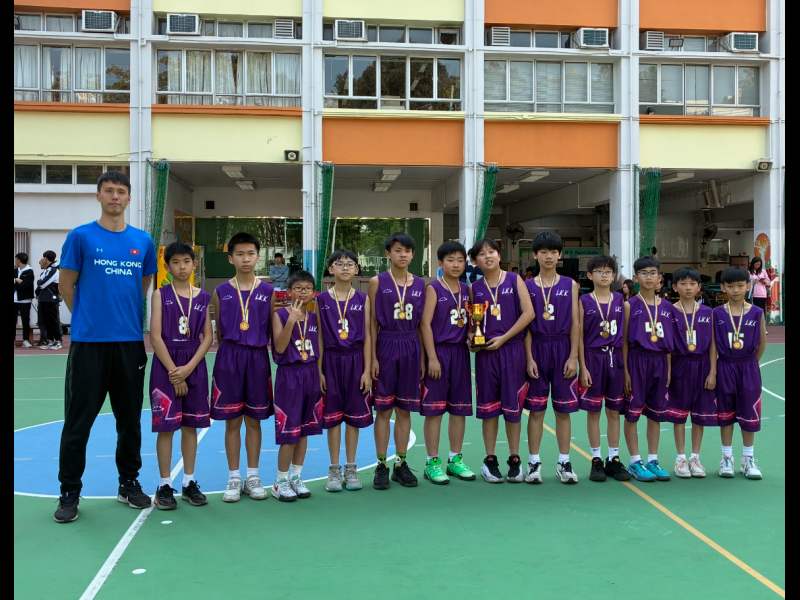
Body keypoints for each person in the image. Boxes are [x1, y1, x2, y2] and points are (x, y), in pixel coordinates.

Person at [54, 171, 158, 523]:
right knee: (78, 422)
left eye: (121, 191)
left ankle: (128, 482)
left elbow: (142, 286)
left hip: (129, 344)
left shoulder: (142, 241)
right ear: (98, 196)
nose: (115, 196)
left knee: (129, 420)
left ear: (129, 198)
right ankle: (69, 491)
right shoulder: (81, 236)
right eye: (109, 191)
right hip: (89, 344)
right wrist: (88, 318)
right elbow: (66, 286)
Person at [149, 242, 213, 509]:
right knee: (166, 427)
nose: (182, 266)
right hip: (166, 364)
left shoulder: (203, 296)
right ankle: (164, 484)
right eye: (175, 262)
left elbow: (208, 337)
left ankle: (188, 482)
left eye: (186, 261)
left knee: (191, 426)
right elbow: (155, 336)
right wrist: (175, 373)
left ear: (194, 264)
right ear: (167, 267)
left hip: (194, 363)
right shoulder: (160, 294)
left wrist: (187, 369)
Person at [211, 232, 274, 503]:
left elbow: (270, 329)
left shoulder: (268, 291)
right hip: (229, 357)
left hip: (257, 357)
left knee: (254, 420)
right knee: (232, 421)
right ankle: (234, 477)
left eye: (250, 254)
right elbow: (220, 334)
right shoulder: (221, 291)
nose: (245, 259)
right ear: (231, 258)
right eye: (240, 254)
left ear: (258, 257)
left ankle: (253, 476)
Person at [469, 238, 534, 483]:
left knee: (513, 409)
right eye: (482, 254)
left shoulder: (515, 280)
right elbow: (473, 324)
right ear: (475, 261)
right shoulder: (474, 288)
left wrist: (504, 338)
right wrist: (471, 339)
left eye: (492, 252)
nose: (488, 256)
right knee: (489, 410)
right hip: (486, 354)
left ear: (499, 255)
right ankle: (490, 460)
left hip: (512, 350)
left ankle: (515, 459)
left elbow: (529, 314)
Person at [369, 232, 426, 489]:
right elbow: (371, 324)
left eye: (408, 250)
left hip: (411, 345)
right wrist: (372, 357)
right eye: (398, 250)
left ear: (413, 254)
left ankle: (401, 464)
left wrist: (422, 358)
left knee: (404, 409)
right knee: (383, 410)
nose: (403, 254)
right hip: (386, 344)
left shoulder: (421, 284)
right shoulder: (377, 282)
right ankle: (381, 464)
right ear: (388, 254)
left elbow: (422, 325)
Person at [524, 233, 580, 484]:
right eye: (543, 252)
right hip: (537, 347)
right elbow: (525, 326)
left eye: (553, 252)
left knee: (563, 411)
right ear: (534, 255)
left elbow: (576, 323)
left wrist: (573, 356)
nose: (549, 256)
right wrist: (529, 358)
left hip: (562, 348)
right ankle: (533, 463)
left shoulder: (570, 284)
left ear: (560, 255)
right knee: (536, 411)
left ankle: (564, 462)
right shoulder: (527, 286)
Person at [316, 250, 373, 492]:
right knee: (332, 418)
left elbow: (368, 336)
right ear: (331, 269)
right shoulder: (321, 299)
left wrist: (367, 370)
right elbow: (319, 336)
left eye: (350, 264)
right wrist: (319, 370)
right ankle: (334, 468)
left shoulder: (363, 298)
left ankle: (351, 467)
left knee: (353, 417)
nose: (345, 267)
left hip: (355, 359)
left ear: (357, 270)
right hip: (331, 360)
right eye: (340, 264)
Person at [420, 242, 476, 485]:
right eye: (451, 260)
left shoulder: (467, 289)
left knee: (459, 409)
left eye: (460, 260)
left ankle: (455, 459)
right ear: (440, 263)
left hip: (461, 354)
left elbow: (472, 321)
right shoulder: (433, 288)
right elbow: (424, 324)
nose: (456, 265)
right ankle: (432, 463)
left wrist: (472, 334)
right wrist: (431, 357)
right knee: (435, 411)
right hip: (440, 352)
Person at [271, 271, 324, 501]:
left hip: (310, 374)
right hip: (289, 376)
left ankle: (296, 477)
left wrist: (320, 374)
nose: (303, 292)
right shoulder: (279, 315)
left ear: (313, 293)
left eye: (307, 288)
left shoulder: (314, 317)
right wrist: (291, 320)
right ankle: (280, 481)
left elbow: (319, 348)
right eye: (298, 288)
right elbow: (280, 348)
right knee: (289, 432)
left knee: (304, 430)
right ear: (289, 291)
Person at [578, 256, 631, 482]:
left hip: (615, 358)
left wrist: (626, 371)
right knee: (594, 412)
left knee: (613, 412)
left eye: (608, 271)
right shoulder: (583, 301)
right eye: (599, 271)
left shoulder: (620, 300)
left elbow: (625, 338)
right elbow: (579, 337)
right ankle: (596, 459)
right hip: (593, 358)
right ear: (590, 275)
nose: (604, 275)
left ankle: (614, 459)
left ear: (614, 276)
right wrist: (583, 367)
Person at [622, 255, 675, 482]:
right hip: (637, 360)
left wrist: (669, 369)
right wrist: (626, 372)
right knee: (632, 414)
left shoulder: (668, 307)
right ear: (636, 278)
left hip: (660, 362)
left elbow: (669, 344)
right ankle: (635, 461)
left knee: (656, 414)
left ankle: (653, 459)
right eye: (644, 273)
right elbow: (624, 342)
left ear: (660, 277)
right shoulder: (629, 305)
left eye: (653, 273)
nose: (649, 277)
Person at [714, 266, 766, 479]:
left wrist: (751, 364)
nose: (735, 290)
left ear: (748, 286)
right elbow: (712, 345)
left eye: (740, 285)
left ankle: (748, 459)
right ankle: (727, 457)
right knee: (726, 413)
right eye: (730, 286)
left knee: (749, 413)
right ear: (723, 288)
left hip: (748, 367)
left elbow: (762, 344)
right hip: (725, 366)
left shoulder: (757, 312)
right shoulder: (717, 313)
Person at [668, 268, 717, 479]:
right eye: (683, 283)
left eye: (692, 284)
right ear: (674, 287)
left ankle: (695, 458)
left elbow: (713, 344)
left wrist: (713, 372)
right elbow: (666, 346)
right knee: (679, 415)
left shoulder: (708, 312)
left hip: (702, 366)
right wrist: (668, 371)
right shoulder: (669, 311)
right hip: (680, 365)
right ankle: (680, 458)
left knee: (699, 415)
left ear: (699, 287)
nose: (688, 288)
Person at [35, 251, 62, 349]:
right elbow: (40, 284)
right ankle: (50, 340)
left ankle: (58, 340)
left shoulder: (54, 270)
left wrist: (40, 282)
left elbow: (42, 284)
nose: (42, 259)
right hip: (43, 299)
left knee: (53, 320)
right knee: (44, 321)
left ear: (46, 258)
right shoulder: (46, 271)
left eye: (43, 257)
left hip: (50, 299)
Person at [14, 252, 34, 347]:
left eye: (16, 259)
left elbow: (25, 285)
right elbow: (21, 284)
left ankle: (25, 340)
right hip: (14, 300)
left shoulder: (29, 271)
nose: (15, 261)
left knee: (25, 321)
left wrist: (16, 286)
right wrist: (15, 280)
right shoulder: (15, 270)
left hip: (25, 300)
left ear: (18, 260)